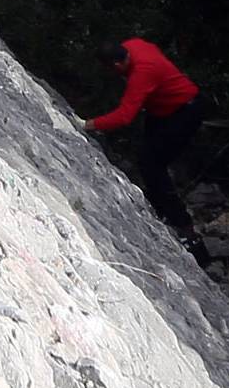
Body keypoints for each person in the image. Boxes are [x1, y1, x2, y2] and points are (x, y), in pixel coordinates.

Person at [88, 38, 210, 262]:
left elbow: (125, 116)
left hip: (184, 112)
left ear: (116, 66)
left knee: (154, 164)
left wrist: (89, 124)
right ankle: (159, 209)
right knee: (147, 159)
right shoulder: (134, 45)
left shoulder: (142, 74)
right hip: (166, 108)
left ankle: (187, 233)